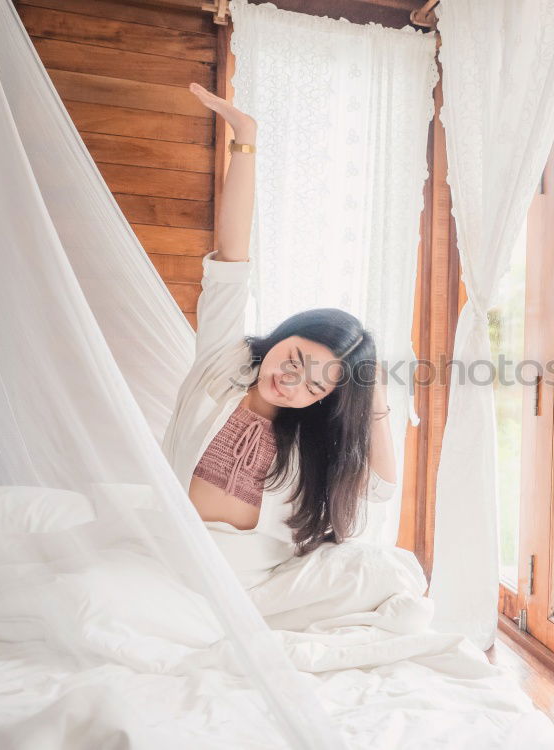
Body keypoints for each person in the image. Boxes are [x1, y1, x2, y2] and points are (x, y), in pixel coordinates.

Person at [161, 82, 402, 591]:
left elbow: (380, 489)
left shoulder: (315, 438)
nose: (291, 384)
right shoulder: (222, 367)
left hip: (255, 577)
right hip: (179, 554)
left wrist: (370, 385)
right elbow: (232, 258)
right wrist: (245, 140)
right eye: (294, 361)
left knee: (392, 581)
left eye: (314, 386)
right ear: (281, 338)